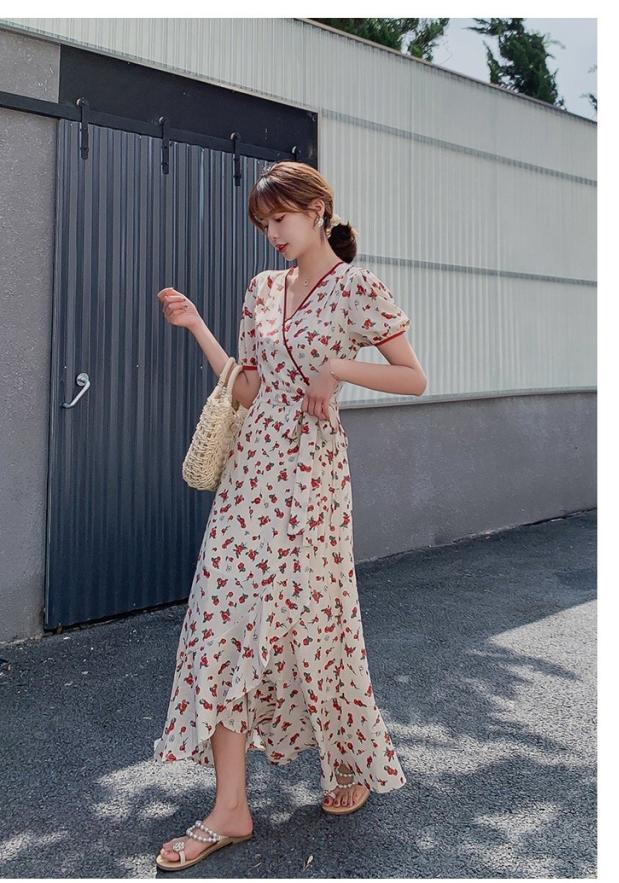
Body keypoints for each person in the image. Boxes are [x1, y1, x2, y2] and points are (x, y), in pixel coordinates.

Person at [154, 161, 427, 870]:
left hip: (311, 482)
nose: (272, 233)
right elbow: (246, 389)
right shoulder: (261, 289)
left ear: (316, 211)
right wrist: (196, 326)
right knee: (221, 619)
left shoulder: (357, 287)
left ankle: (349, 761)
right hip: (250, 476)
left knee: (315, 621)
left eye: (280, 218)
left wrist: (338, 370)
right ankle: (230, 808)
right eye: (264, 223)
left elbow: (413, 377)